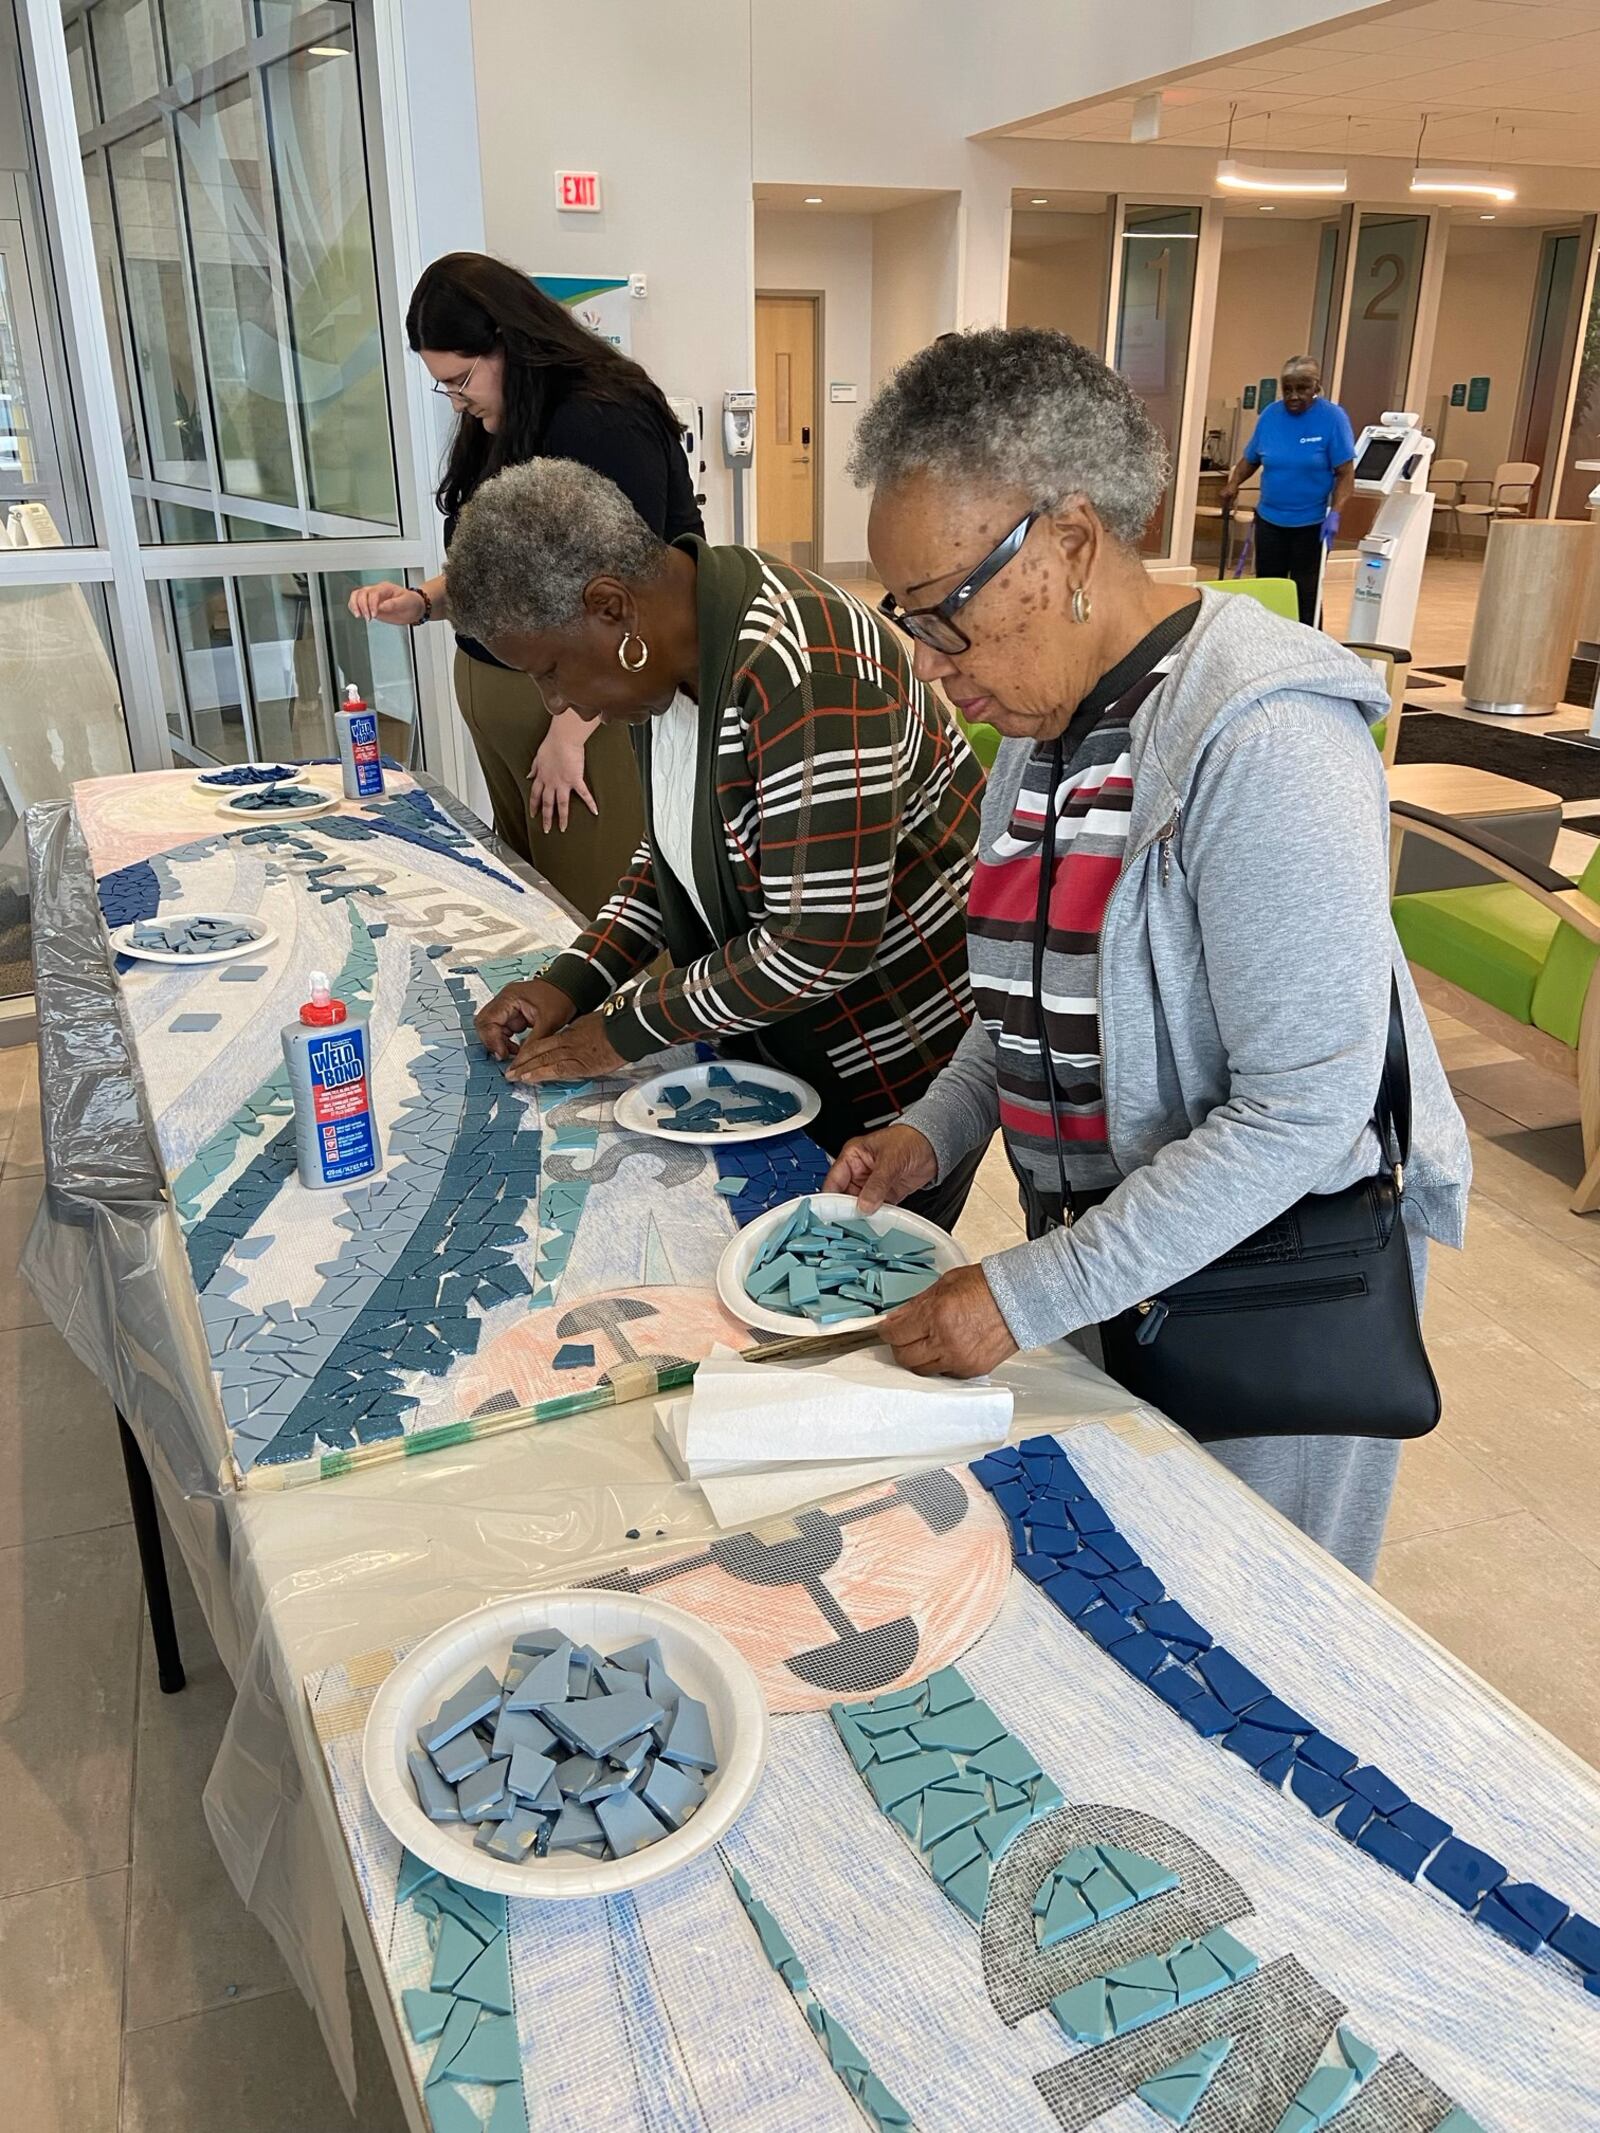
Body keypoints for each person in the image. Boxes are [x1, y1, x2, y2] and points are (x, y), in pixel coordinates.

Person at [824, 327, 1470, 1578]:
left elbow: (1300, 1109)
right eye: (907, 621)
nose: (930, 667)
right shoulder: (1044, 711)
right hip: (1126, 1264)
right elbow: (1030, 973)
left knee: (1260, 1611)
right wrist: (936, 1130)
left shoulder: (1260, 737)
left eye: (944, 617)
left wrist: (1022, 1295)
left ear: (1068, 546)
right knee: (1140, 1572)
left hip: (1276, 1290)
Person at [445, 457, 985, 1224]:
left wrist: (621, 1030)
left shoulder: (803, 661)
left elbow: (820, 941)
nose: (557, 700)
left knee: (847, 1304)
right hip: (781, 1049)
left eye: (553, 670)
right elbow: (670, 854)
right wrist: (575, 980)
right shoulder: (669, 664)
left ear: (611, 609)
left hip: (892, 1075)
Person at [347, 253, 703, 914]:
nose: (457, 400)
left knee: (598, 911)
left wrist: (570, 730)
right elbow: (504, 562)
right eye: (443, 388)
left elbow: (626, 591)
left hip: (582, 715)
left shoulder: (603, 417)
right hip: (521, 703)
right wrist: (425, 601)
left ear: (506, 342)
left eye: (460, 380)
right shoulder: (504, 416)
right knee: (536, 907)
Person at [1221, 356, 1355, 627]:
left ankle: (1308, 651)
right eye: (1288, 389)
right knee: (1270, 591)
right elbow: (1251, 459)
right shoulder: (1271, 415)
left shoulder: (1332, 418)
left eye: (1302, 389)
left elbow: (1345, 473)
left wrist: (1336, 513)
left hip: (1312, 524)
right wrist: (1233, 484)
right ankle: (1270, 648)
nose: (1294, 396)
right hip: (1270, 521)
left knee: (1305, 594)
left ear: (1316, 387)